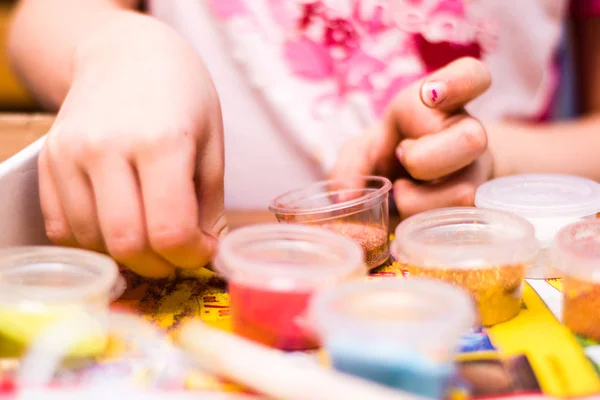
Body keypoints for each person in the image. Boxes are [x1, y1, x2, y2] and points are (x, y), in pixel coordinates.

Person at [7, 0, 600, 278]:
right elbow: (44, 17)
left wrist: (488, 158)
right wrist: (121, 47)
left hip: (484, 268)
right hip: (204, 266)